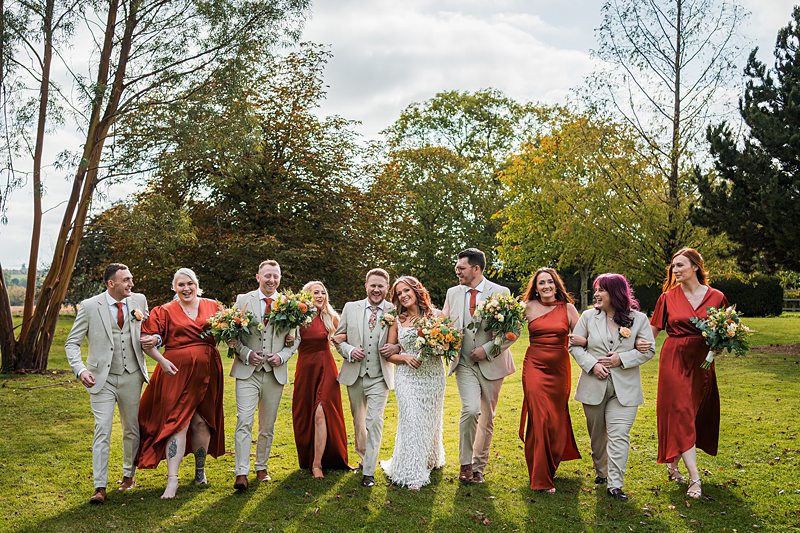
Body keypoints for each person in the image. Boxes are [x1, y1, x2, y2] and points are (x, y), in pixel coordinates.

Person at [65, 263, 159, 504]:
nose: (131, 284)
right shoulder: (89, 306)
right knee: (102, 429)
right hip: (100, 378)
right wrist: (80, 370)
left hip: (132, 375)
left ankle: (129, 475)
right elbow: (72, 343)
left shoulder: (139, 300)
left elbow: (150, 330)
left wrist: (156, 338)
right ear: (111, 283)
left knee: (131, 428)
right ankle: (100, 486)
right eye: (126, 280)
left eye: (131, 279)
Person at [136, 267, 225, 499]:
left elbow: (230, 332)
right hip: (176, 372)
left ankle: (200, 472)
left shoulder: (214, 306)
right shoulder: (164, 311)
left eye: (190, 284)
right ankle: (172, 480)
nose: (186, 288)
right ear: (174, 287)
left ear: (197, 285)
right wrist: (161, 360)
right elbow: (147, 339)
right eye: (181, 284)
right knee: (177, 423)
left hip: (208, 371)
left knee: (202, 423)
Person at [650, 247, 729, 499]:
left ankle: (673, 464)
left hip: (702, 362)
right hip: (674, 359)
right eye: (673, 266)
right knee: (682, 411)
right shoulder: (667, 297)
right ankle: (695, 477)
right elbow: (651, 332)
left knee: (692, 412)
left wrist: (720, 345)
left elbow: (727, 331)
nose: (675, 270)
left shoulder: (717, 297)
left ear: (695, 266)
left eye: (680, 265)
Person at [569, 273, 655, 501]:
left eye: (601, 290)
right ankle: (602, 471)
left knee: (619, 435)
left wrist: (621, 359)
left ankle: (615, 484)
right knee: (597, 437)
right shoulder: (588, 317)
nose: (596, 294)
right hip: (593, 386)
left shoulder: (639, 319)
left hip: (624, 389)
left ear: (615, 293)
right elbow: (574, 346)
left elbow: (649, 349)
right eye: (596, 289)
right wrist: (592, 365)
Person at [442, 248, 517, 484]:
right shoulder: (453, 293)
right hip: (464, 364)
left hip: (492, 364)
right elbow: (444, 321)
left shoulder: (501, 292)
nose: (457, 271)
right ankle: (465, 463)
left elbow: (511, 331)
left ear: (476, 268)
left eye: (461, 268)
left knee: (487, 417)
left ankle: (478, 467)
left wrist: (487, 350)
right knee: (471, 409)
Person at [230, 260, 300, 491]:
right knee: (244, 420)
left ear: (280, 278)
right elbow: (231, 335)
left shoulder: (289, 304)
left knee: (267, 425)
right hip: (247, 371)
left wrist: (282, 356)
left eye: (275, 276)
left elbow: (295, 340)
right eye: (267, 275)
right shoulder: (243, 300)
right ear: (258, 277)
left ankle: (261, 467)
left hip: (274, 373)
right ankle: (241, 472)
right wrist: (246, 354)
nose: (272, 280)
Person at [334, 268, 400, 487]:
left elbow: (404, 337)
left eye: (381, 286)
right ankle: (363, 459)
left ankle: (369, 471)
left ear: (387, 288)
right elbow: (338, 338)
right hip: (355, 374)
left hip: (379, 375)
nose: (376, 289)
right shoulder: (350, 308)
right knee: (359, 421)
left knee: (374, 421)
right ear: (366, 286)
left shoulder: (394, 310)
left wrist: (396, 347)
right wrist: (350, 350)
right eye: (373, 285)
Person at [380, 276, 446, 490]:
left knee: (430, 419)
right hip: (407, 377)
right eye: (399, 293)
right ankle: (411, 472)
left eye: (406, 290)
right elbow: (389, 353)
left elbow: (449, 344)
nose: (403, 295)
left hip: (433, 375)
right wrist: (405, 357)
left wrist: (439, 345)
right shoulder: (397, 320)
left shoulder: (436, 316)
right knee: (412, 419)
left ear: (417, 291)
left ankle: (430, 457)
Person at [519, 268, 582, 493]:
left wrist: (583, 341)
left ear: (556, 285)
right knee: (539, 417)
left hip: (559, 370)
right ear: (535, 288)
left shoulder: (568, 309)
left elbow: (585, 336)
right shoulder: (526, 307)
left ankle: (550, 461)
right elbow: (508, 332)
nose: (546, 286)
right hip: (534, 367)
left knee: (555, 419)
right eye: (541, 283)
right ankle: (540, 477)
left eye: (549, 282)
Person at [292, 281, 350, 478]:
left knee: (321, 412)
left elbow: (349, 335)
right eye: (315, 292)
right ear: (306, 296)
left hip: (326, 368)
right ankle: (312, 457)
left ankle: (317, 464)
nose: (320, 296)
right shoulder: (297, 317)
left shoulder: (331, 317)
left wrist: (342, 340)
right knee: (305, 414)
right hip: (305, 370)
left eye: (323, 292)